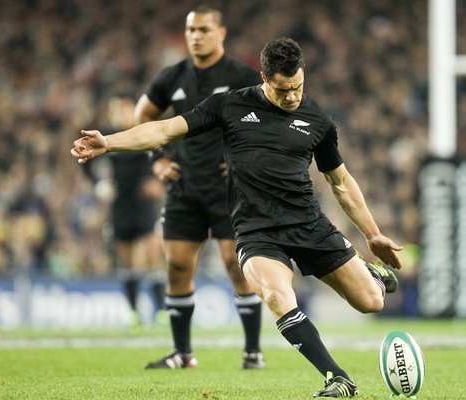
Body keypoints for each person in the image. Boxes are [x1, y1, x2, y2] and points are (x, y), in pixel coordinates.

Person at [72, 37, 402, 398]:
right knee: (278, 296)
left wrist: (372, 234)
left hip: (308, 224)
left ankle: (368, 271)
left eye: (298, 88)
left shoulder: (317, 119)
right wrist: (110, 142)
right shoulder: (228, 106)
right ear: (263, 77)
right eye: (283, 90)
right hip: (256, 230)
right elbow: (164, 130)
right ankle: (337, 378)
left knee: (371, 302)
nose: (292, 97)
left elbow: (340, 181)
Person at [133, 7, 265, 370]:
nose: (196, 36)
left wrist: (245, 159)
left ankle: (253, 351)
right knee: (176, 264)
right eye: (191, 29)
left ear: (221, 33)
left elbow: (269, 122)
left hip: (229, 188)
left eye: (204, 29)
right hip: (183, 185)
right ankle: (182, 354)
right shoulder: (172, 76)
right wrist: (157, 159)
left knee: (235, 265)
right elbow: (142, 115)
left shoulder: (243, 76)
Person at [83, 94, 166, 326]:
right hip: (120, 204)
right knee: (127, 258)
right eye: (116, 109)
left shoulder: (144, 133)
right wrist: (99, 184)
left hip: (144, 204)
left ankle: (160, 310)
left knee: (152, 254)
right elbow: (85, 162)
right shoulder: (106, 138)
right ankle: (133, 312)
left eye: (124, 108)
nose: (120, 114)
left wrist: (157, 180)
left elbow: (163, 155)